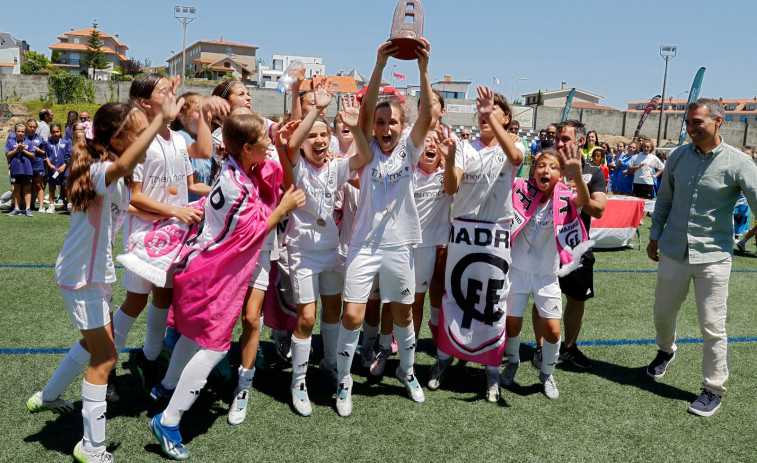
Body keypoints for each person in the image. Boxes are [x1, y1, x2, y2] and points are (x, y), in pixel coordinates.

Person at [26, 99, 179, 463]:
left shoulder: (114, 173)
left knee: (93, 346)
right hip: (82, 277)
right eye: (140, 134)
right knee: (106, 356)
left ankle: (46, 398)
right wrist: (160, 121)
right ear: (118, 139)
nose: (148, 140)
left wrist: (175, 211)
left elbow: (130, 206)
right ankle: (91, 447)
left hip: (93, 274)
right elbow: (124, 164)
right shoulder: (102, 167)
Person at [148, 114, 304, 460]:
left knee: (193, 335)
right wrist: (283, 207)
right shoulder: (237, 184)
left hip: (200, 268)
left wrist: (279, 135)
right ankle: (169, 420)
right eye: (263, 138)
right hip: (213, 277)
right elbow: (254, 232)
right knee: (215, 347)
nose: (268, 143)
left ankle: (166, 386)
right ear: (247, 148)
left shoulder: (233, 167)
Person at [333, 38, 433, 417]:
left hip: (400, 245)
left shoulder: (410, 147)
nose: (386, 127)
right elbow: (359, 117)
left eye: (392, 122)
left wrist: (424, 69)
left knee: (404, 315)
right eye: (380, 121)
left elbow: (427, 116)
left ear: (403, 127)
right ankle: (344, 382)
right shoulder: (365, 150)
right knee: (354, 315)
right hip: (363, 246)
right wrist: (378, 65)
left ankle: (407, 372)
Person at [646, 98, 757, 417]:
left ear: (718, 121)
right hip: (673, 250)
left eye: (698, 122)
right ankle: (666, 351)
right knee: (662, 313)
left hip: (714, 257)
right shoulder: (678, 156)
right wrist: (654, 235)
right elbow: (664, 199)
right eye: (688, 122)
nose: (691, 128)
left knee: (712, 325)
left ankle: (713, 388)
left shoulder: (739, 162)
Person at [111, 74, 212, 399]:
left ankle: (149, 357)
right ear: (144, 103)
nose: (172, 93)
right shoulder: (139, 140)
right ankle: (106, 363)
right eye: (163, 90)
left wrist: (222, 193)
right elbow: (132, 199)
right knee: (135, 302)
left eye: (172, 89)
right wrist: (175, 212)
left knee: (164, 297)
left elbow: (195, 174)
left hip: (175, 234)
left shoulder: (179, 140)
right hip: (146, 237)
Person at [276, 87, 372, 416]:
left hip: (331, 250)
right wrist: (316, 110)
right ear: (304, 141)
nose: (318, 141)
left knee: (334, 311)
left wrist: (356, 126)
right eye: (311, 135)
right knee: (306, 316)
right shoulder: (295, 166)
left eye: (323, 135)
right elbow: (289, 145)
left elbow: (365, 157)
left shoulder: (336, 166)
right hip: (302, 253)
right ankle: (299, 381)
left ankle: (330, 366)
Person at [429, 85, 525, 402]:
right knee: (454, 296)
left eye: (493, 109)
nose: (484, 114)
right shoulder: (465, 145)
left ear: (506, 117)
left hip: (496, 233)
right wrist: (452, 156)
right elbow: (452, 187)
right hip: (464, 232)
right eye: (482, 110)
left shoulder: (514, 143)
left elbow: (514, 156)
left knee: (493, 301)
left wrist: (492, 120)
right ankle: (443, 360)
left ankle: (492, 372)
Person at [500, 148, 591, 400]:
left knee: (552, 331)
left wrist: (579, 176)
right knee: (511, 325)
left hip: (546, 275)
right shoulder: (520, 189)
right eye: (541, 165)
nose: (545, 170)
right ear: (533, 170)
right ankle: (512, 362)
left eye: (552, 167)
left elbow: (583, 200)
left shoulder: (566, 196)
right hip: (516, 272)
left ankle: (547, 374)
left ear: (561, 175)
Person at [531, 120, 606, 370]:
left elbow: (599, 210)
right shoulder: (546, 166)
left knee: (576, 298)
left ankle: (569, 348)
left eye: (565, 139)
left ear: (581, 141)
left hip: (576, 246)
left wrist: (579, 188)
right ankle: (541, 348)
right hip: (545, 244)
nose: (559, 143)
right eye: (558, 138)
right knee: (541, 297)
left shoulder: (593, 173)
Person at [5, 123, 34, 216]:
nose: (20, 133)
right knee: (16, 189)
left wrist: (23, 150)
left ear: (25, 132)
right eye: (18, 131)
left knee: (27, 189)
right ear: (15, 132)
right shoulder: (10, 141)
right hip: (15, 169)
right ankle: (16, 208)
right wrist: (17, 149)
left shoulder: (29, 142)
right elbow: (8, 154)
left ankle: (28, 208)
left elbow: (32, 155)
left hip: (26, 169)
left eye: (22, 131)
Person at [44, 123, 72, 213]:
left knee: (66, 187)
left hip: (64, 168)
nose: (55, 133)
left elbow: (69, 156)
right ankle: (51, 206)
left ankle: (69, 205)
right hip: (52, 169)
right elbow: (46, 155)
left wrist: (64, 165)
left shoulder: (66, 142)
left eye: (57, 131)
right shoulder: (48, 143)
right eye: (53, 132)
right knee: (51, 187)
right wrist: (49, 164)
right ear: (51, 132)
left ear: (60, 132)